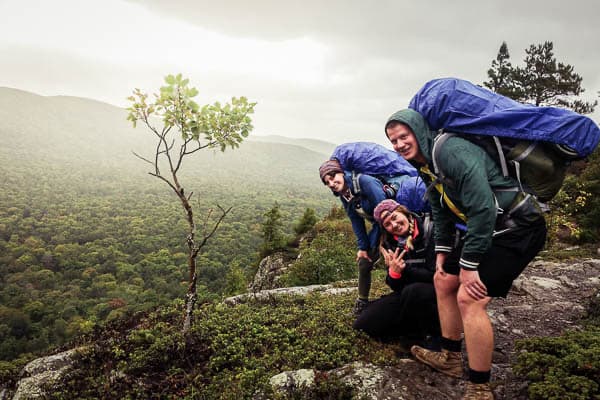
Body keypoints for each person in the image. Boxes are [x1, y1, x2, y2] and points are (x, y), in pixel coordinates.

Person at [384, 109, 547, 400]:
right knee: (444, 279)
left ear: (418, 132)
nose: (399, 145)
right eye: (393, 140)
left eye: (403, 136)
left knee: (469, 297)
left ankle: (480, 386)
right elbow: (440, 211)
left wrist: (469, 266)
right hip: (492, 226)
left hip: (519, 227)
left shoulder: (451, 151)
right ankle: (450, 357)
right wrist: (443, 254)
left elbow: (483, 209)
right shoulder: (426, 165)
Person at [319, 156, 428, 315]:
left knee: (401, 261)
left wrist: (376, 244)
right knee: (364, 262)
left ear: (342, 172)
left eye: (333, 177)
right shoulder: (345, 194)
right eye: (327, 182)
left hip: (395, 223)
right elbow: (356, 221)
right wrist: (363, 248)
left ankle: (411, 294)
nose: (331, 183)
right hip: (382, 229)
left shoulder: (365, 182)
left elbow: (383, 214)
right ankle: (362, 301)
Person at [353, 199, 442, 349]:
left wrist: (406, 269)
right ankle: (409, 330)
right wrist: (394, 274)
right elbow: (395, 286)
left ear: (404, 212)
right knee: (363, 325)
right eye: (387, 224)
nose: (394, 225)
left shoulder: (430, 231)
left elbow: (436, 276)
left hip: (439, 294)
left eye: (394, 217)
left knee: (413, 291)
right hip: (408, 295)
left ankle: (427, 338)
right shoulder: (391, 243)